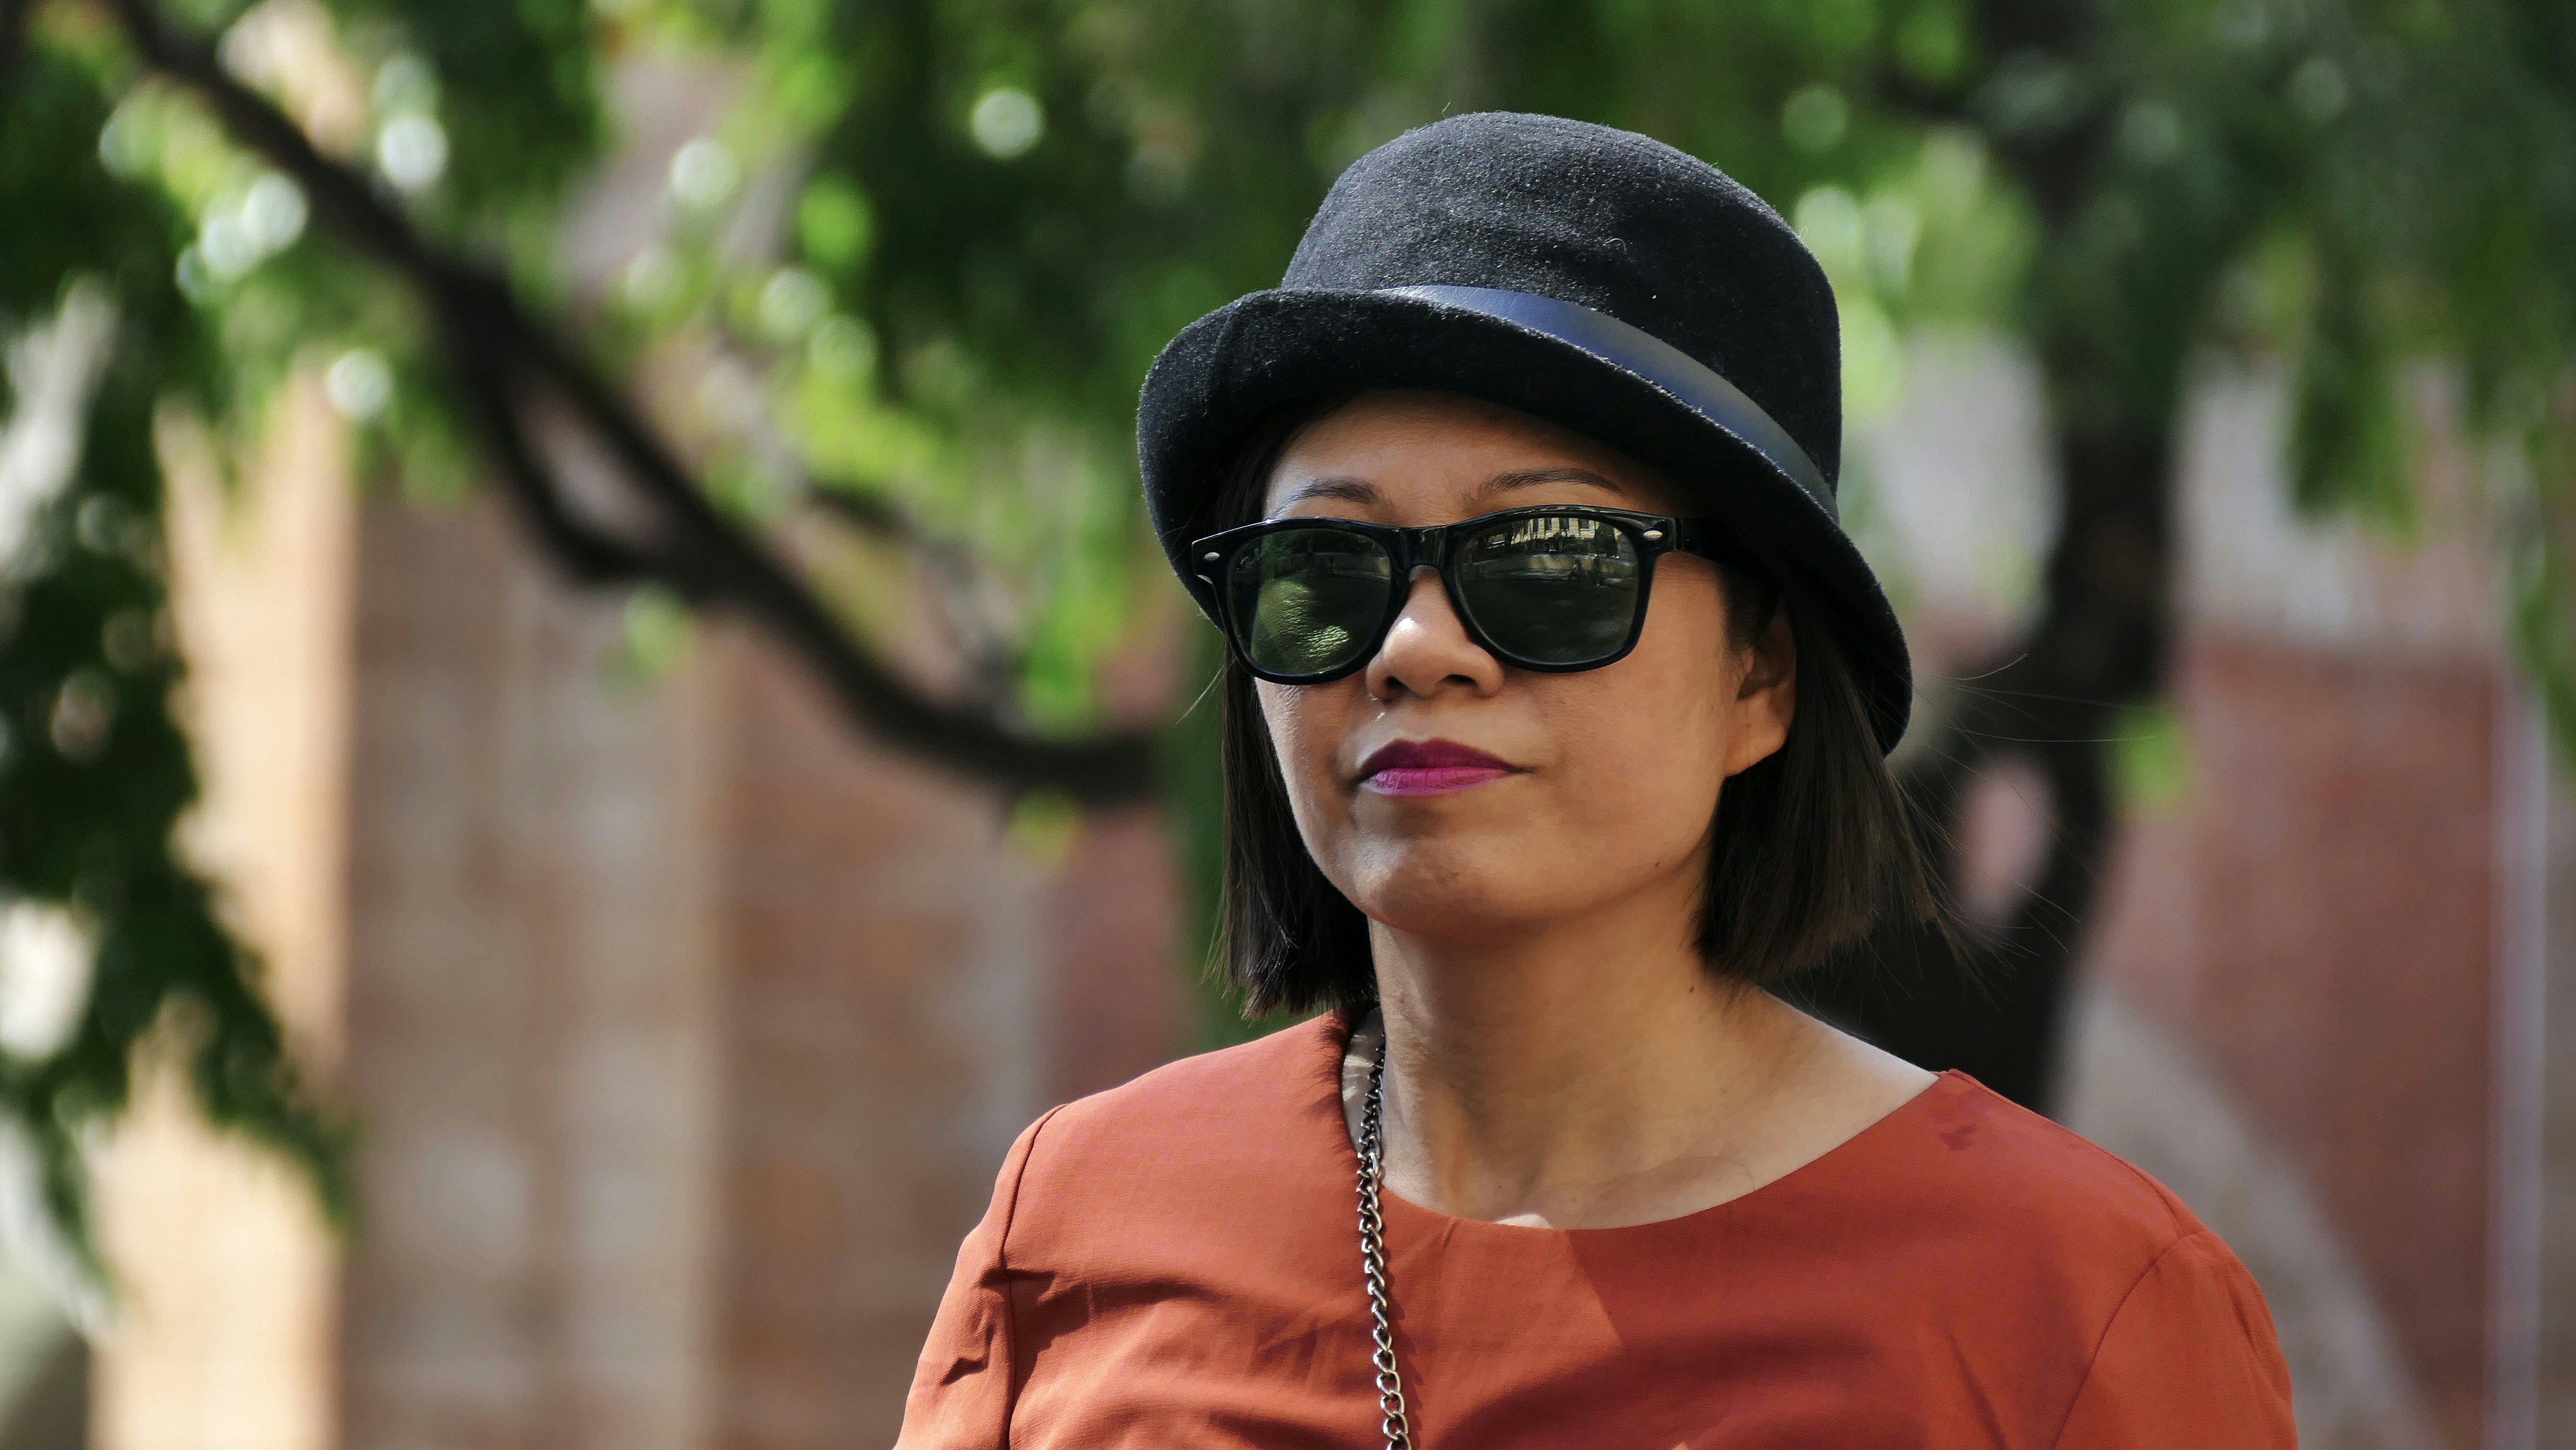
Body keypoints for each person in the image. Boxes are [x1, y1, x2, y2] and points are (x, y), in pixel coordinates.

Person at [894, 112, 2294, 1449]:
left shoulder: (2070, 1304)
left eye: (1549, 563)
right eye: (1322, 571)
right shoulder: (1080, 1226)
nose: (1416, 647)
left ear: (1764, 677)